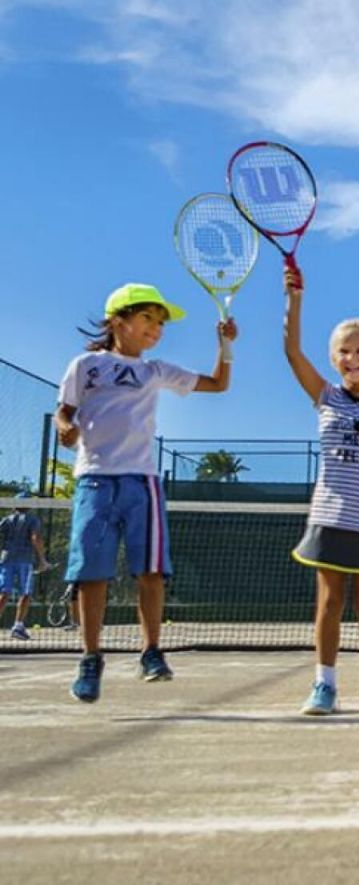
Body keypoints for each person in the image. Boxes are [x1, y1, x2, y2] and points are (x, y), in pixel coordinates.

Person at [55, 283, 235, 702]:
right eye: (148, 319)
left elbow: (219, 384)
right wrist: (66, 428)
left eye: (160, 323)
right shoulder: (86, 365)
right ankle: (90, 658)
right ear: (118, 319)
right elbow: (65, 409)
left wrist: (225, 344)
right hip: (95, 480)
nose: (156, 329)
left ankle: (151, 651)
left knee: (151, 572)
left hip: (143, 483)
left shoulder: (156, 371)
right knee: (90, 575)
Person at [284, 263, 359, 715]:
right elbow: (292, 350)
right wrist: (294, 299)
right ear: (334, 358)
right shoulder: (326, 397)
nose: (351, 358)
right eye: (343, 351)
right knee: (330, 600)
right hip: (329, 517)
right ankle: (324, 686)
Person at [0, 490, 50, 640]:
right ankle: (18, 625)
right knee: (25, 593)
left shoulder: (6, 520)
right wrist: (42, 560)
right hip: (24, 561)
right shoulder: (32, 520)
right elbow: (35, 538)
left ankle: (18, 626)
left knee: (4, 593)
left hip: (6, 559)